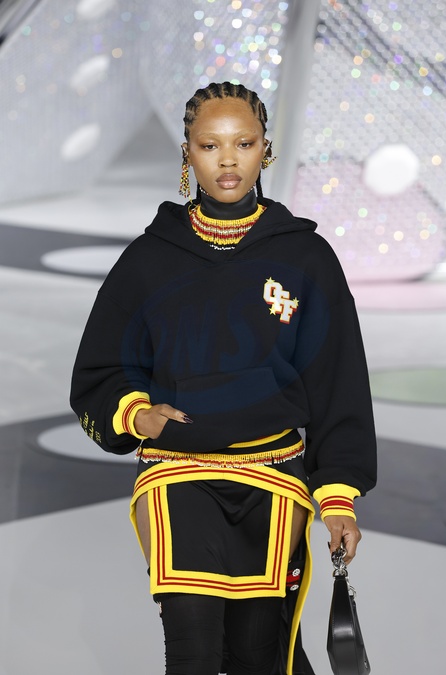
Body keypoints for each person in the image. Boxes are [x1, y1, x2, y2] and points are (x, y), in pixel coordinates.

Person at [70, 81, 377, 675]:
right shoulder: (149, 257)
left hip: (274, 474)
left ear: (267, 149)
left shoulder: (306, 258)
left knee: (258, 656)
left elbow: (338, 381)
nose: (228, 160)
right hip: (176, 470)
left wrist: (338, 496)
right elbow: (99, 369)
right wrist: (137, 414)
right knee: (191, 653)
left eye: (244, 143)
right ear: (187, 153)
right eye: (210, 145)